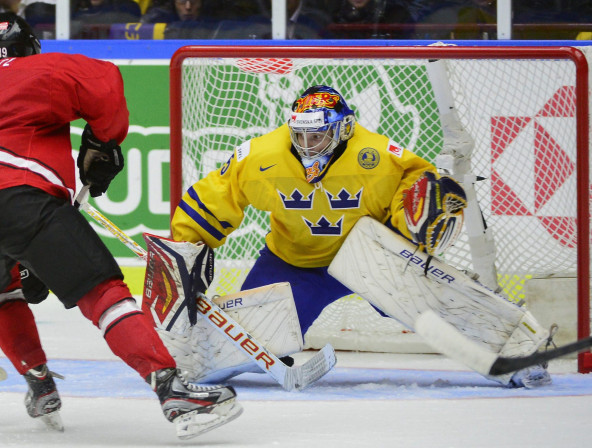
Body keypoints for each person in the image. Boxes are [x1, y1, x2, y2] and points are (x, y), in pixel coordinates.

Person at [0, 12, 241, 438]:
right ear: (32, 46)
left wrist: (26, 259)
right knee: (101, 291)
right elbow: (105, 80)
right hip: (17, 199)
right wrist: (102, 142)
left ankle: (39, 385)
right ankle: (172, 389)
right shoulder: (42, 66)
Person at [170, 84, 552, 389]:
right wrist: (185, 251)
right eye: (300, 137)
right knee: (236, 349)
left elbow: (417, 186)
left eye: (318, 137)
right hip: (294, 263)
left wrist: (415, 219)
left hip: (370, 256)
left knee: (436, 309)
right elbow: (215, 195)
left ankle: (520, 351)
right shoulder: (260, 157)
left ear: (343, 129)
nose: (307, 147)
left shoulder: (377, 155)